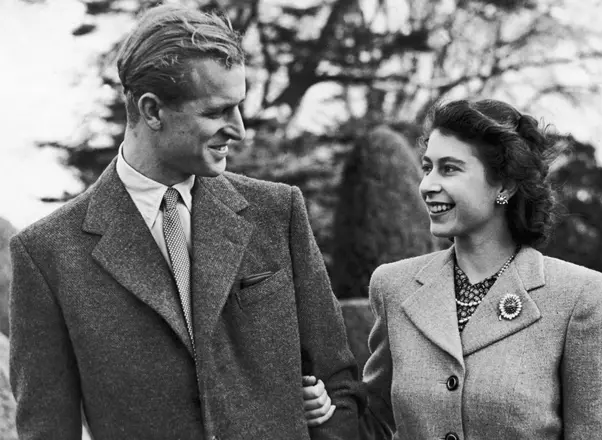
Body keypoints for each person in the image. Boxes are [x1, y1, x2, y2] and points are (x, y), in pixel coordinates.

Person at [9, 4, 361, 439]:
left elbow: (339, 386)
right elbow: (46, 430)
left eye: (239, 108)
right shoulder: (47, 254)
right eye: (217, 112)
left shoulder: (278, 211)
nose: (240, 129)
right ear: (152, 111)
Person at [303, 99, 602, 439]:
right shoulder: (393, 286)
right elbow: (377, 421)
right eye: (427, 167)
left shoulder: (583, 297)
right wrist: (325, 412)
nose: (427, 185)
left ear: (504, 185)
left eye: (450, 168)